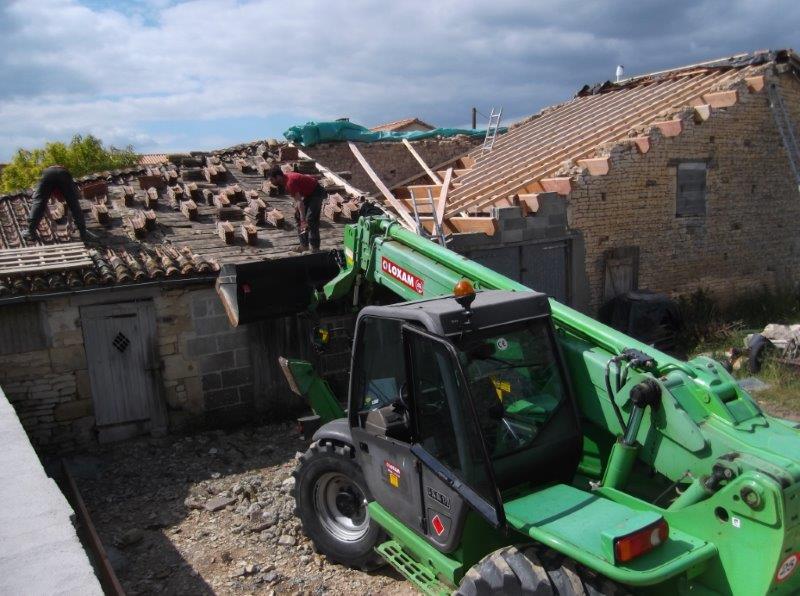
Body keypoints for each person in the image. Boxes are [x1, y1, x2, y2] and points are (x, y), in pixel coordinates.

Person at [22, 165, 98, 243]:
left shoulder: (51, 191)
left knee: (38, 201)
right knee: (74, 204)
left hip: (48, 173)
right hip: (63, 173)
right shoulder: (64, 190)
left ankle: (30, 231)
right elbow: (73, 206)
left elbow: (41, 205)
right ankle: (83, 233)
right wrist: (52, 221)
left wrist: (69, 222)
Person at [268, 165, 325, 252]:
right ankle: (304, 245)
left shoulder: (289, 182)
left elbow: (299, 201)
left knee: (310, 220)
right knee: (298, 216)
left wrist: (303, 219)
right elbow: (297, 197)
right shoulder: (285, 180)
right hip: (308, 194)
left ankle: (315, 247)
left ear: (278, 177)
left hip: (316, 192)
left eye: (272, 179)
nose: (271, 182)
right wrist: (298, 212)